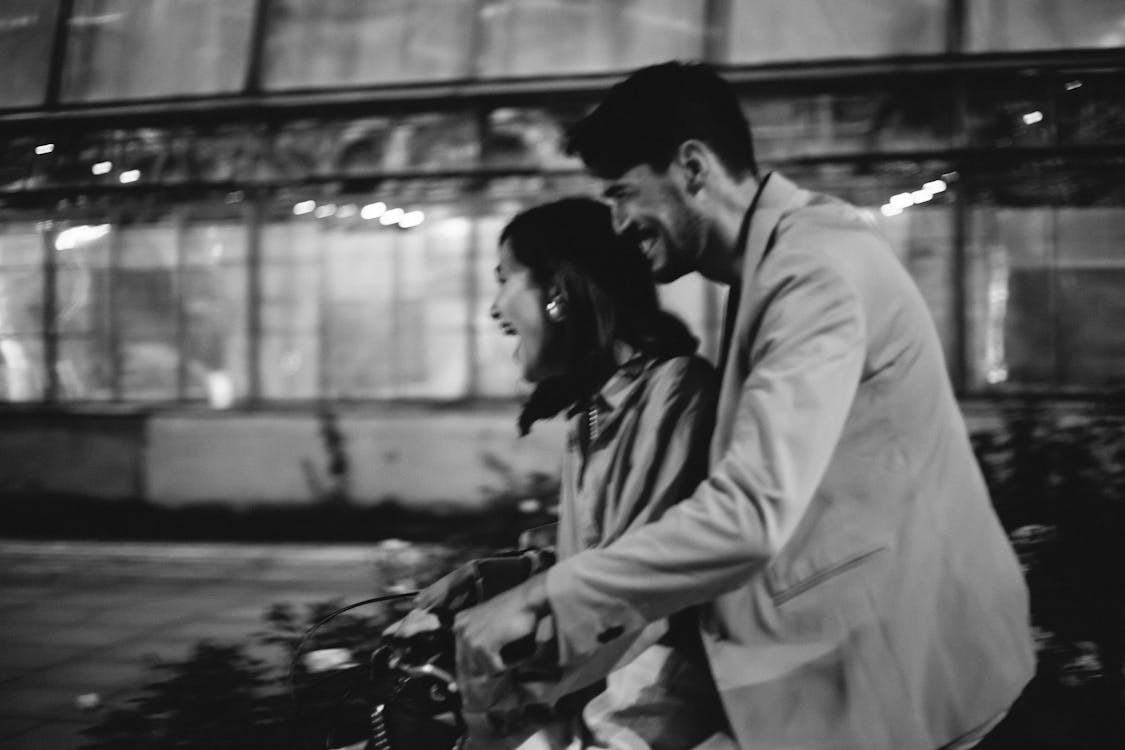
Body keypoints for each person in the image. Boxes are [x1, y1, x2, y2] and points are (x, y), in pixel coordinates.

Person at [452, 61, 1036, 750]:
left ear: (691, 168)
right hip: (845, 660)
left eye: (622, 195)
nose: (616, 223)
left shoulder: (809, 271)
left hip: (902, 661)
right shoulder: (775, 265)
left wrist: (541, 597)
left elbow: (749, 514)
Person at [389, 197, 730, 749]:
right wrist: (489, 580)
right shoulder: (591, 412)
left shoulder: (673, 391)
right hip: (596, 707)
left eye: (505, 280)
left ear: (557, 292)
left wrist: (510, 685)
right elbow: (589, 559)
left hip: (649, 717)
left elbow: (638, 588)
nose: (495, 308)